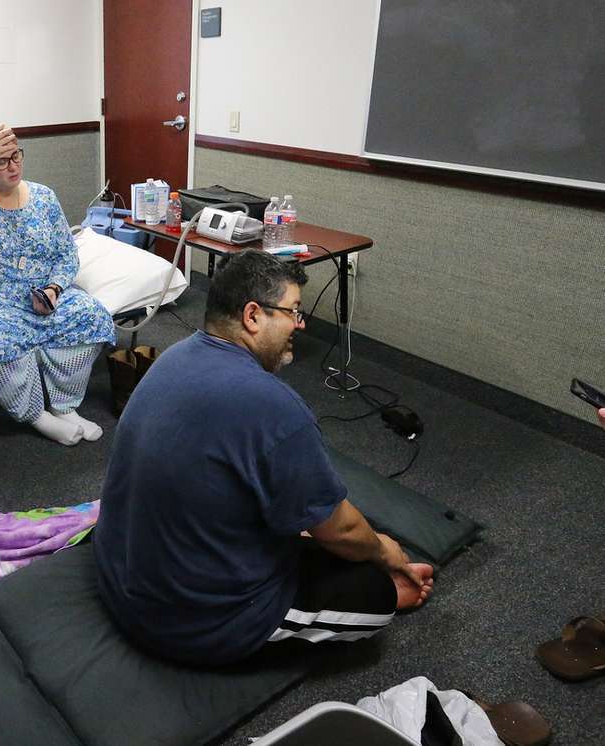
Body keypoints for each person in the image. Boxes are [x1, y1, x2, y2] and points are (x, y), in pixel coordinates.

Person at [95, 249, 434, 665]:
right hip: (179, 622)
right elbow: (342, 530)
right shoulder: (276, 408)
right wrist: (389, 553)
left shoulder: (175, 356)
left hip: (119, 577)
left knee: (317, 532)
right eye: (293, 311)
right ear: (253, 316)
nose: (301, 323)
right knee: (374, 594)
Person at [0, 122, 115, 445]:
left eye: (15, 156)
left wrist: (54, 288)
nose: (12, 166)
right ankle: (35, 414)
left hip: (40, 296)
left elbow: (66, 254)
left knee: (91, 314)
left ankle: (64, 404)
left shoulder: (43, 197)